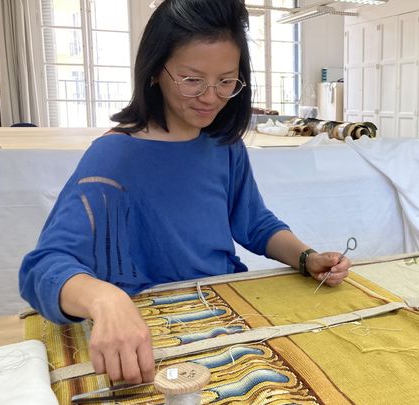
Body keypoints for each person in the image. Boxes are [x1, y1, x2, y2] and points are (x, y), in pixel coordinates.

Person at [19, 0, 350, 385]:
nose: (211, 97)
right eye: (192, 80)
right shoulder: (115, 156)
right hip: (153, 336)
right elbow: (42, 268)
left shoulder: (224, 145)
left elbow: (254, 223)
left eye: (226, 81)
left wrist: (305, 257)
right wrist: (106, 299)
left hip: (225, 315)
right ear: (155, 72)